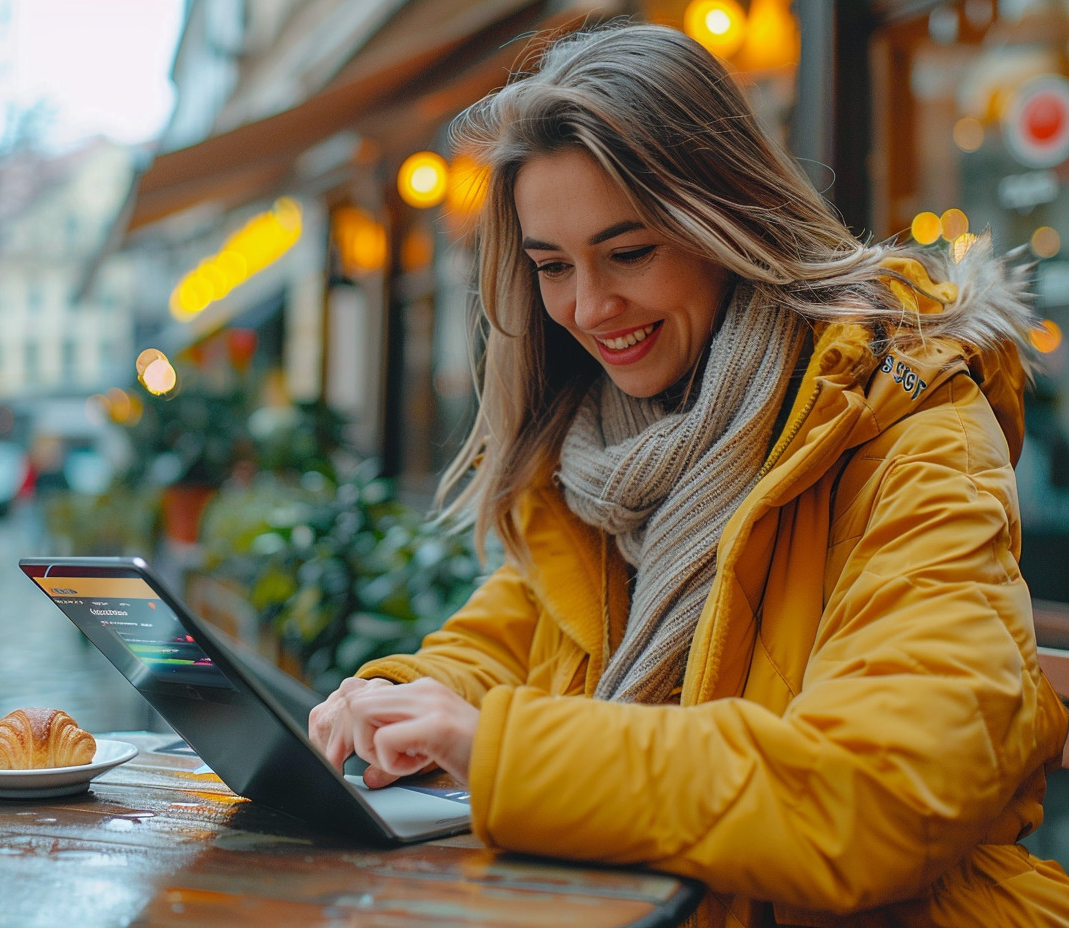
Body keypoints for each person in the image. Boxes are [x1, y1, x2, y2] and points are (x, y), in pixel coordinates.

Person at [309, 22, 1069, 926]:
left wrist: (498, 750)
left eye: (629, 253)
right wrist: (399, 702)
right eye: (552, 267)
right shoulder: (601, 454)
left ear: (728, 223)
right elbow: (499, 646)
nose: (589, 308)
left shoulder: (913, 430)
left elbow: (877, 797)